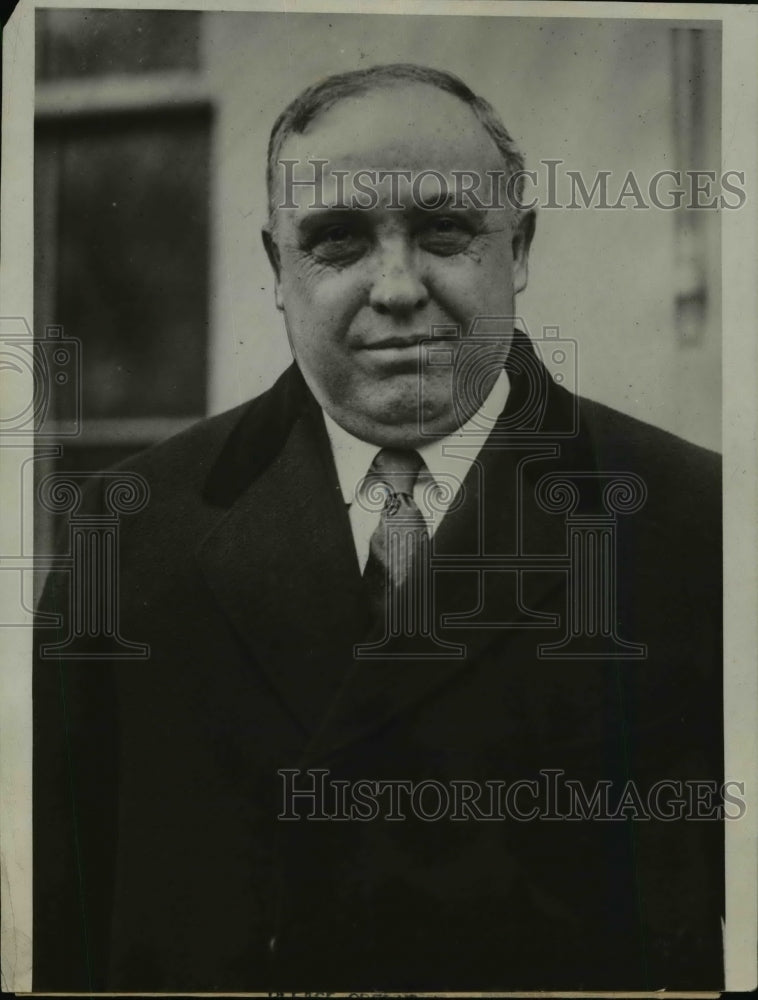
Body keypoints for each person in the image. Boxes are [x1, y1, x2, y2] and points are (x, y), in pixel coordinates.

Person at [33, 64, 723, 993]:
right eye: (338, 240)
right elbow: (59, 931)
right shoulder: (125, 537)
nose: (397, 287)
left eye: (444, 231)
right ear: (278, 269)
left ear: (516, 249)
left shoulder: (701, 527)